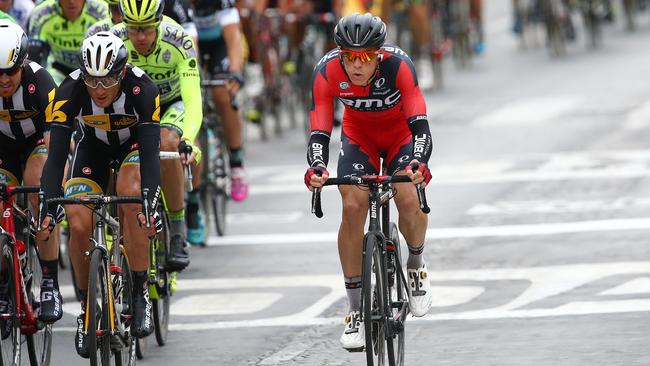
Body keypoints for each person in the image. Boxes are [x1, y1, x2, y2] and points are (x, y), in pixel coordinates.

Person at [304, 13, 434, 350]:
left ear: (379, 54)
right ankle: (354, 311)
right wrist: (317, 165)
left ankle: (416, 263)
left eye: (364, 57)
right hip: (359, 136)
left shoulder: (398, 66)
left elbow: (420, 125)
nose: (356, 65)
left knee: (407, 197)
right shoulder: (327, 70)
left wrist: (419, 162)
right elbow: (319, 129)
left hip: (400, 137)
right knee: (352, 206)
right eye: (349, 56)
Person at [38, 32, 162, 358]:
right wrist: (49, 203)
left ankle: (139, 291)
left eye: (108, 79)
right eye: (93, 81)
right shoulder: (69, 90)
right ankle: (86, 306)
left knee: (131, 194)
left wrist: (149, 202)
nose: (100, 89)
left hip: (133, 148)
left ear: (121, 72)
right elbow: (55, 158)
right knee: (78, 222)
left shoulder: (143, 89)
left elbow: (151, 154)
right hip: (92, 150)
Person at [113, 0, 202, 270]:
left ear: (160, 21)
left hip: (170, 103)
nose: (140, 37)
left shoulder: (180, 41)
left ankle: (177, 230)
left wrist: (188, 138)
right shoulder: (114, 41)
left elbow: (192, 99)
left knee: (167, 145)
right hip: (133, 108)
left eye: (147, 29)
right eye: (133, 29)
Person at [0, 20, 61, 329]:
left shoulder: (42, 82)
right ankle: (4, 282)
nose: (4, 80)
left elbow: (56, 143)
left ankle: (49, 280)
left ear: (22, 62)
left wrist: (52, 190)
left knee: (38, 187)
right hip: (4, 148)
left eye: (10, 71)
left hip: (38, 142)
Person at [189, 0, 246, 246]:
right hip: (190, 48)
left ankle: (236, 164)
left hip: (220, 44)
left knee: (223, 94)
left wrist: (234, 72)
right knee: (194, 104)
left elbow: (233, 36)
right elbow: (188, 45)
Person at [27, 0, 110, 84]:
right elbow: (33, 57)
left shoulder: (103, 12)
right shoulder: (41, 14)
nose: (71, 1)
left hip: (93, 70)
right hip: (58, 68)